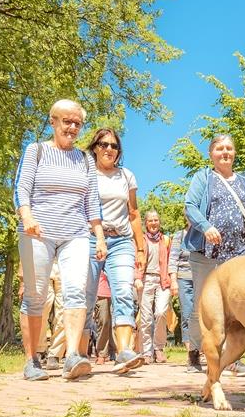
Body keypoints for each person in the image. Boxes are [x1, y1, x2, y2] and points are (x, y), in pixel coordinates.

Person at [13, 99, 105, 382]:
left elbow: (92, 201)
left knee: (76, 291)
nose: (73, 127)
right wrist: (27, 217)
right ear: (53, 121)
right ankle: (32, 361)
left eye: (77, 123)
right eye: (67, 121)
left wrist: (99, 236)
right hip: (37, 232)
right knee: (36, 296)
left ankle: (73, 356)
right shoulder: (36, 150)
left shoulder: (85, 159)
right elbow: (21, 188)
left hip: (75, 233)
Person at [182, 134, 245, 378]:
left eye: (229, 148)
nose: (225, 152)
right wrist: (205, 227)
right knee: (202, 307)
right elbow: (190, 206)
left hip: (238, 253)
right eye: (219, 148)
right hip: (207, 252)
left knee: (236, 308)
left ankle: (232, 359)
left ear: (234, 153)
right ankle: (195, 350)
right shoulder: (203, 178)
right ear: (211, 154)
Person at [84, 128, 149, 374]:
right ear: (94, 148)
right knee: (87, 296)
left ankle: (124, 352)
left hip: (121, 240)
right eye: (103, 144)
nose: (109, 149)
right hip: (90, 239)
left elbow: (134, 213)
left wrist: (140, 249)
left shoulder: (126, 176)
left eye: (113, 145)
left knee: (123, 291)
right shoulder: (86, 174)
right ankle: (78, 354)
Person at [138, 210, 172, 363]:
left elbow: (171, 261)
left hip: (162, 280)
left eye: (156, 220)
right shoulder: (141, 240)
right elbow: (136, 260)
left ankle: (158, 347)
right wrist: (137, 278)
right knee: (145, 318)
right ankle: (146, 352)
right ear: (146, 223)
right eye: (150, 220)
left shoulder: (165, 240)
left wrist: (173, 280)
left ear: (159, 222)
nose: (153, 223)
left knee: (160, 312)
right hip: (144, 280)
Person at [168, 218, 202, 372]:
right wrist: (173, 281)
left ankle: (203, 349)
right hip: (183, 279)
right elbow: (173, 259)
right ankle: (192, 353)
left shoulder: (203, 234)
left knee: (202, 315)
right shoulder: (179, 236)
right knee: (187, 314)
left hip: (201, 277)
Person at [93, 270, 116, 364]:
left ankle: (114, 351)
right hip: (101, 290)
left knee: (116, 323)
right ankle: (102, 352)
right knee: (103, 321)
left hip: (117, 290)